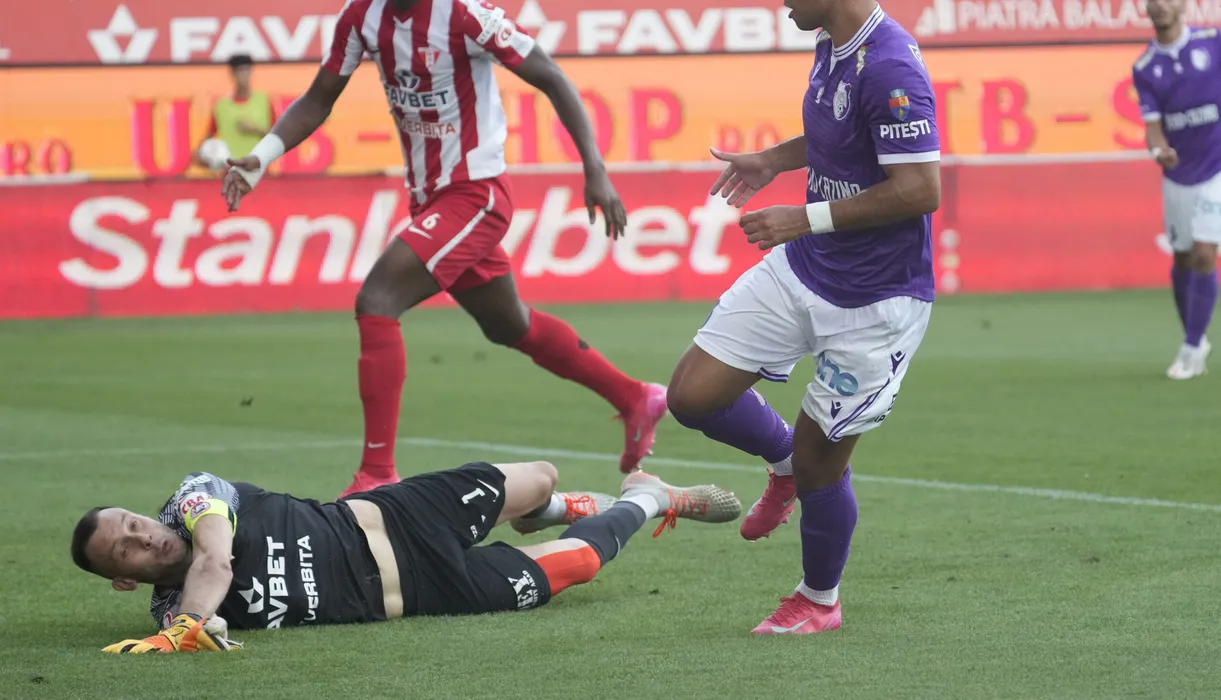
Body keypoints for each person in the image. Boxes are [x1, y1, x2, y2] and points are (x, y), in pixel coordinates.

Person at [219, 0, 666, 499]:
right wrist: (262, 156)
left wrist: (595, 169)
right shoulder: (362, 15)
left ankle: (377, 472)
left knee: (378, 299)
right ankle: (635, 397)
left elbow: (551, 77)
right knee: (508, 324)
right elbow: (319, 97)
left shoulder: (465, 14)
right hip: (430, 200)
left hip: (476, 193)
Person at [665, 0, 941, 635]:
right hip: (805, 267)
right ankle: (782, 461)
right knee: (693, 396)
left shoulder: (891, 66)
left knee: (824, 463)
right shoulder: (832, 41)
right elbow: (839, 137)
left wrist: (805, 217)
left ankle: (819, 600)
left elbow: (920, 189)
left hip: (876, 302)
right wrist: (773, 160)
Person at [71, 462, 741, 653]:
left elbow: (214, 561)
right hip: (428, 593)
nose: (145, 537)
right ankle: (649, 497)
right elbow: (199, 618)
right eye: (126, 549)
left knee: (540, 478)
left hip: (402, 515)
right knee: (579, 566)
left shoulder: (194, 499)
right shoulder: (170, 615)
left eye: (134, 523)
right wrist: (196, 626)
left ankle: (550, 506)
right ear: (123, 581)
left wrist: (193, 623)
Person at [1133, 0, 1221, 380]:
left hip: (1217, 169)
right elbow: (1153, 127)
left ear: (1182, 5)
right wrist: (1159, 151)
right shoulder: (1145, 67)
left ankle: (1190, 348)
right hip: (1179, 175)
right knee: (1183, 258)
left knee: (1204, 254)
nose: (1160, 6)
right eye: (1153, 1)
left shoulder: (1213, 42)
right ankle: (1195, 336)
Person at [194, 54, 276, 170]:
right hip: (231, 170)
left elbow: (276, 136)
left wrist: (255, 129)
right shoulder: (221, 106)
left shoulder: (264, 101)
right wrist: (199, 153)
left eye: (247, 71)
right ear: (232, 74)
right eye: (240, 72)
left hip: (258, 169)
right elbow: (210, 134)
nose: (244, 76)